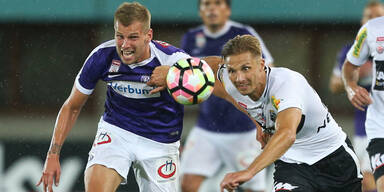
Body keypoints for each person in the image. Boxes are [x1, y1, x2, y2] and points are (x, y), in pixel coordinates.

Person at [150, 35, 362, 192]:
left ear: (262, 64)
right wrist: (174, 71)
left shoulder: (288, 84)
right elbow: (212, 64)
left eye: (246, 68)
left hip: (334, 161)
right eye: (232, 70)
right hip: (291, 164)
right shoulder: (229, 76)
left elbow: (287, 134)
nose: (239, 78)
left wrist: (248, 172)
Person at [36, 2, 191, 192]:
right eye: (120, 37)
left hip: (160, 141)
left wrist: (174, 74)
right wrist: (53, 154)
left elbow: (207, 74)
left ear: (148, 36)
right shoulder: (102, 56)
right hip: (117, 131)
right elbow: (72, 106)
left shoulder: (172, 59)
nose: (125, 45)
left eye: (133, 37)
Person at [180, 0, 273, 191]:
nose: (211, 8)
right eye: (206, 4)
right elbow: (180, 80)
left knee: (252, 188)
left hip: (244, 129)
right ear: (200, 11)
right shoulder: (191, 37)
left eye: (217, 3)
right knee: (187, 184)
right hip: (207, 128)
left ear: (227, 9)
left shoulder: (243, 34)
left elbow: (268, 69)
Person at [329, 2, 384, 191]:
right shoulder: (354, 48)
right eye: (369, 16)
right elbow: (335, 83)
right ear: (363, 20)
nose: (373, 20)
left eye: (378, 16)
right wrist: (353, 83)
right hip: (370, 124)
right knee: (369, 180)